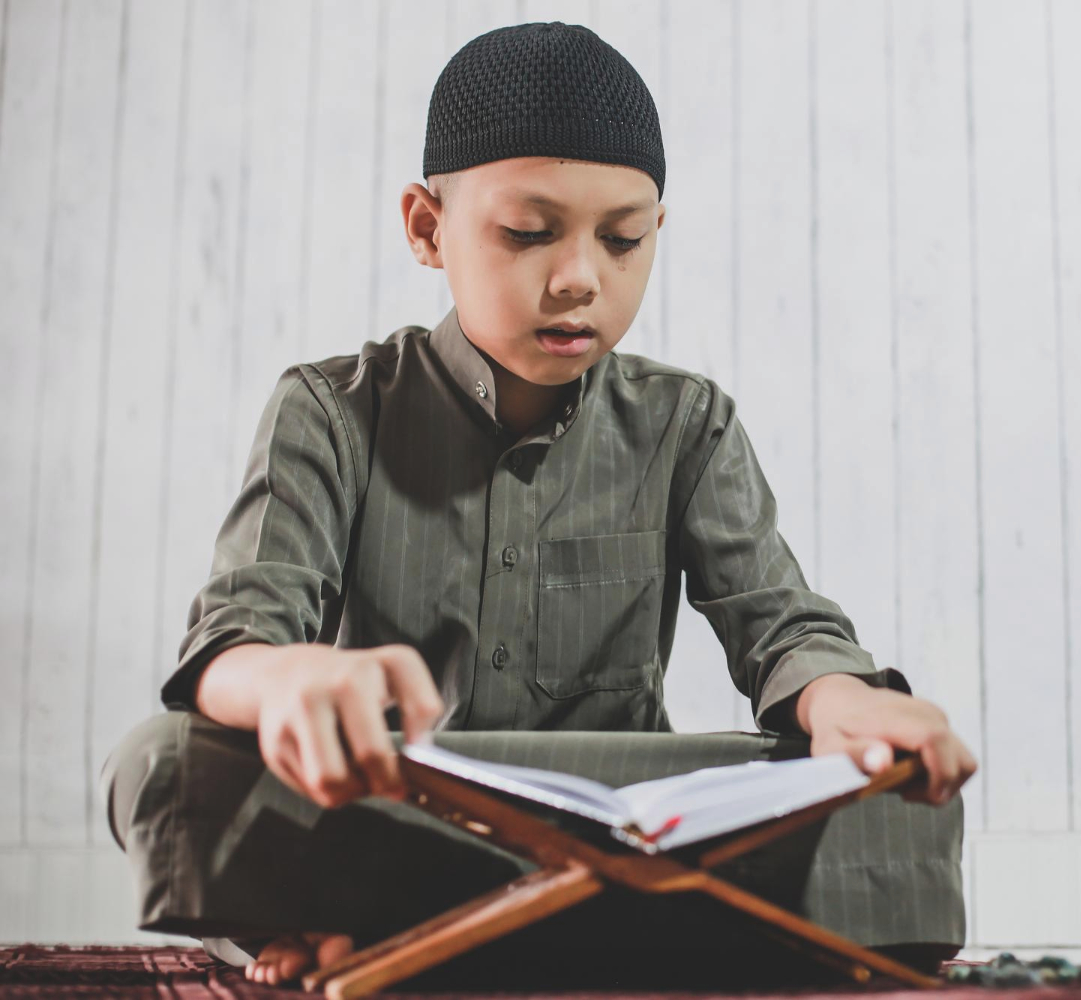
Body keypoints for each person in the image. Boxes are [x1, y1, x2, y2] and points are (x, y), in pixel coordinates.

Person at [101, 21, 977, 989]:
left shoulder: (687, 422)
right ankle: (626, 932)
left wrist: (847, 701)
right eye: (528, 232)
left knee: (891, 790)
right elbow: (234, 641)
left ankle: (388, 929)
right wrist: (282, 680)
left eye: (623, 239)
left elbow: (782, 628)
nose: (579, 278)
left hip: (626, 813)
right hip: (397, 805)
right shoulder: (333, 410)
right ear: (427, 228)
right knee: (164, 763)